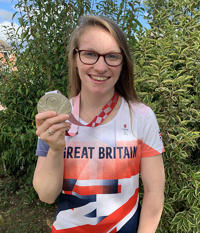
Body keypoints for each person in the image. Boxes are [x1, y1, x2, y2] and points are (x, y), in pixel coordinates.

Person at [33, 15, 165, 233]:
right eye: (90, 54)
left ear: (123, 62)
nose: (101, 66)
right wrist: (56, 148)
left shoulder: (142, 116)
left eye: (112, 56)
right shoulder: (55, 116)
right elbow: (46, 195)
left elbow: (154, 192)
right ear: (75, 58)